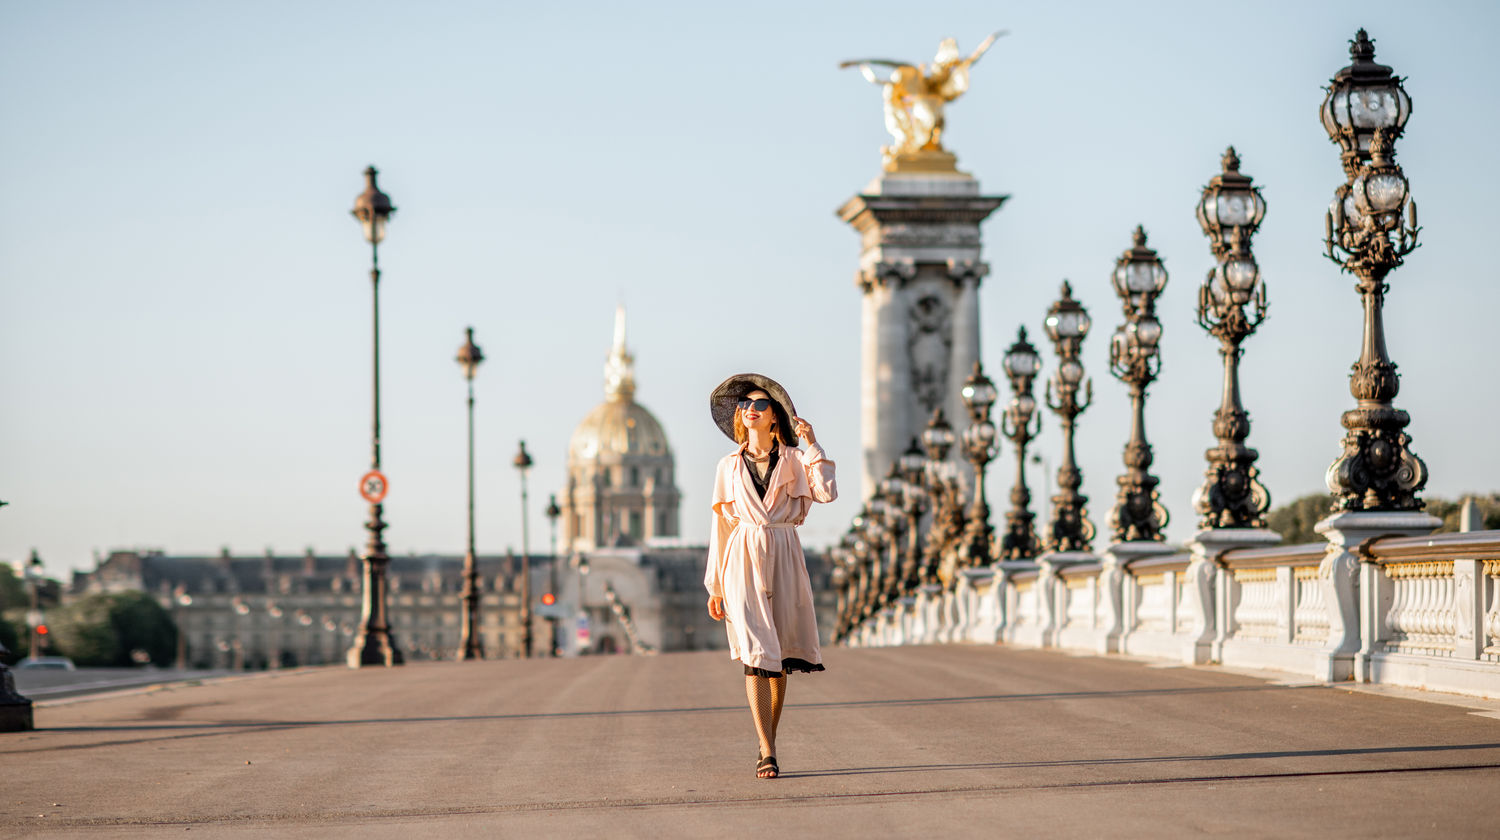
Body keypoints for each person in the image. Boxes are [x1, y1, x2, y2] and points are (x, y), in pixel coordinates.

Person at [705, 373, 837, 779]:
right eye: (745, 405)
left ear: (775, 417)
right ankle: (766, 747)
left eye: (759, 404)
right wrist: (715, 585)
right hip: (742, 556)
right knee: (755, 653)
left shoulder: (796, 460)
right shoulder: (727, 466)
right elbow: (722, 528)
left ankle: (769, 740)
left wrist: (812, 444)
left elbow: (827, 493)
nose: (749, 409)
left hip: (783, 552)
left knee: (777, 659)